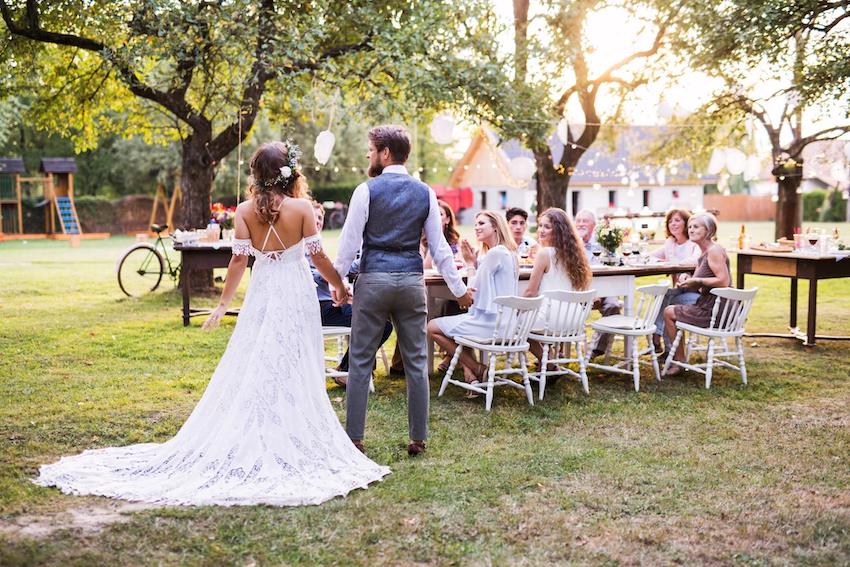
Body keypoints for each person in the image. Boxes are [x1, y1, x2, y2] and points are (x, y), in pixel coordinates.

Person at [35, 142, 389, 506]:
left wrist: (223, 305)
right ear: (290, 172)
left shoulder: (245, 211)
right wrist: (339, 284)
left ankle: (268, 424)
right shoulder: (301, 208)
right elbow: (318, 256)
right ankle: (285, 427)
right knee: (293, 355)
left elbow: (237, 263)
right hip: (294, 292)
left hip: (265, 292)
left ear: (257, 174)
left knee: (259, 354)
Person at [334, 125, 473, 457]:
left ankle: (354, 438)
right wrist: (459, 290)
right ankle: (418, 438)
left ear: (385, 153)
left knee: (361, 361)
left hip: (374, 281)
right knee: (416, 361)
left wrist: (337, 284)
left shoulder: (365, 191)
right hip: (412, 283)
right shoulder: (424, 192)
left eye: (371, 149)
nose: (369, 155)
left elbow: (348, 244)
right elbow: (439, 248)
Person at [427, 211, 519, 394]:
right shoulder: (507, 253)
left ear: (495, 227)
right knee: (459, 325)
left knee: (431, 326)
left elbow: (472, 296)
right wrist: (476, 263)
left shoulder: (495, 254)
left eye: (481, 223)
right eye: (475, 223)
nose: (476, 227)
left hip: (490, 325)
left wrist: (469, 263)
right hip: (508, 324)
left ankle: (476, 367)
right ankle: (472, 374)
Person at [309, 201, 393, 387]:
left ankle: (345, 369)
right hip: (316, 309)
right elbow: (310, 274)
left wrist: (364, 258)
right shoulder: (301, 245)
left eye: (320, 218)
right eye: (313, 218)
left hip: (331, 304)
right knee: (379, 324)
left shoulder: (317, 244)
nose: (317, 222)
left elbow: (338, 271)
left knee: (381, 322)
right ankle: (348, 370)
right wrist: (332, 277)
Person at [662, 213, 732, 376]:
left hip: (715, 309)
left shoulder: (713, 250)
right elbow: (707, 277)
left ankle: (679, 362)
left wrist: (697, 281)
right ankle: (677, 358)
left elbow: (723, 281)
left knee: (669, 311)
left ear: (708, 230)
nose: (691, 230)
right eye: (690, 227)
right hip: (710, 304)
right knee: (672, 302)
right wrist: (690, 278)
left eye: (696, 227)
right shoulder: (705, 252)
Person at [523, 208, 592, 368]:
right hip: (574, 320)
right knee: (527, 320)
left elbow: (530, 292)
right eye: (540, 226)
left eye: (547, 227)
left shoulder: (544, 254)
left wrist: (517, 310)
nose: (541, 230)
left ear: (558, 230)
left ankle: (549, 360)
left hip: (552, 320)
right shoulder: (575, 254)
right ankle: (546, 361)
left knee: (515, 324)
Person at [649, 208, 701, 352]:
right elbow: (650, 256)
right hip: (680, 289)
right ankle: (659, 338)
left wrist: (673, 262)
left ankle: (665, 346)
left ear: (686, 223)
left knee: (668, 302)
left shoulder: (694, 243)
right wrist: (662, 259)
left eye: (677, 220)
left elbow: (695, 260)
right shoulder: (670, 242)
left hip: (696, 292)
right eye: (670, 221)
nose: (673, 224)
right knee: (663, 295)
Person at [574, 209, 621, 359]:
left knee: (613, 305)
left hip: (605, 289)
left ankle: (597, 348)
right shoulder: (571, 243)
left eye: (585, 221)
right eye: (579, 221)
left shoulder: (603, 240)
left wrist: (599, 293)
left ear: (594, 225)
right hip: (580, 291)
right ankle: (559, 348)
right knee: (566, 308)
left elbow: (614, 262)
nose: (581, 224)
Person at [423, 199, 461, 268]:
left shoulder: (454, 242)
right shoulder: (421, 242)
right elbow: (425, 268)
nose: (436, 217)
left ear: (447, 220)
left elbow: (461, 263)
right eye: (433, 214)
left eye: (440, 214)